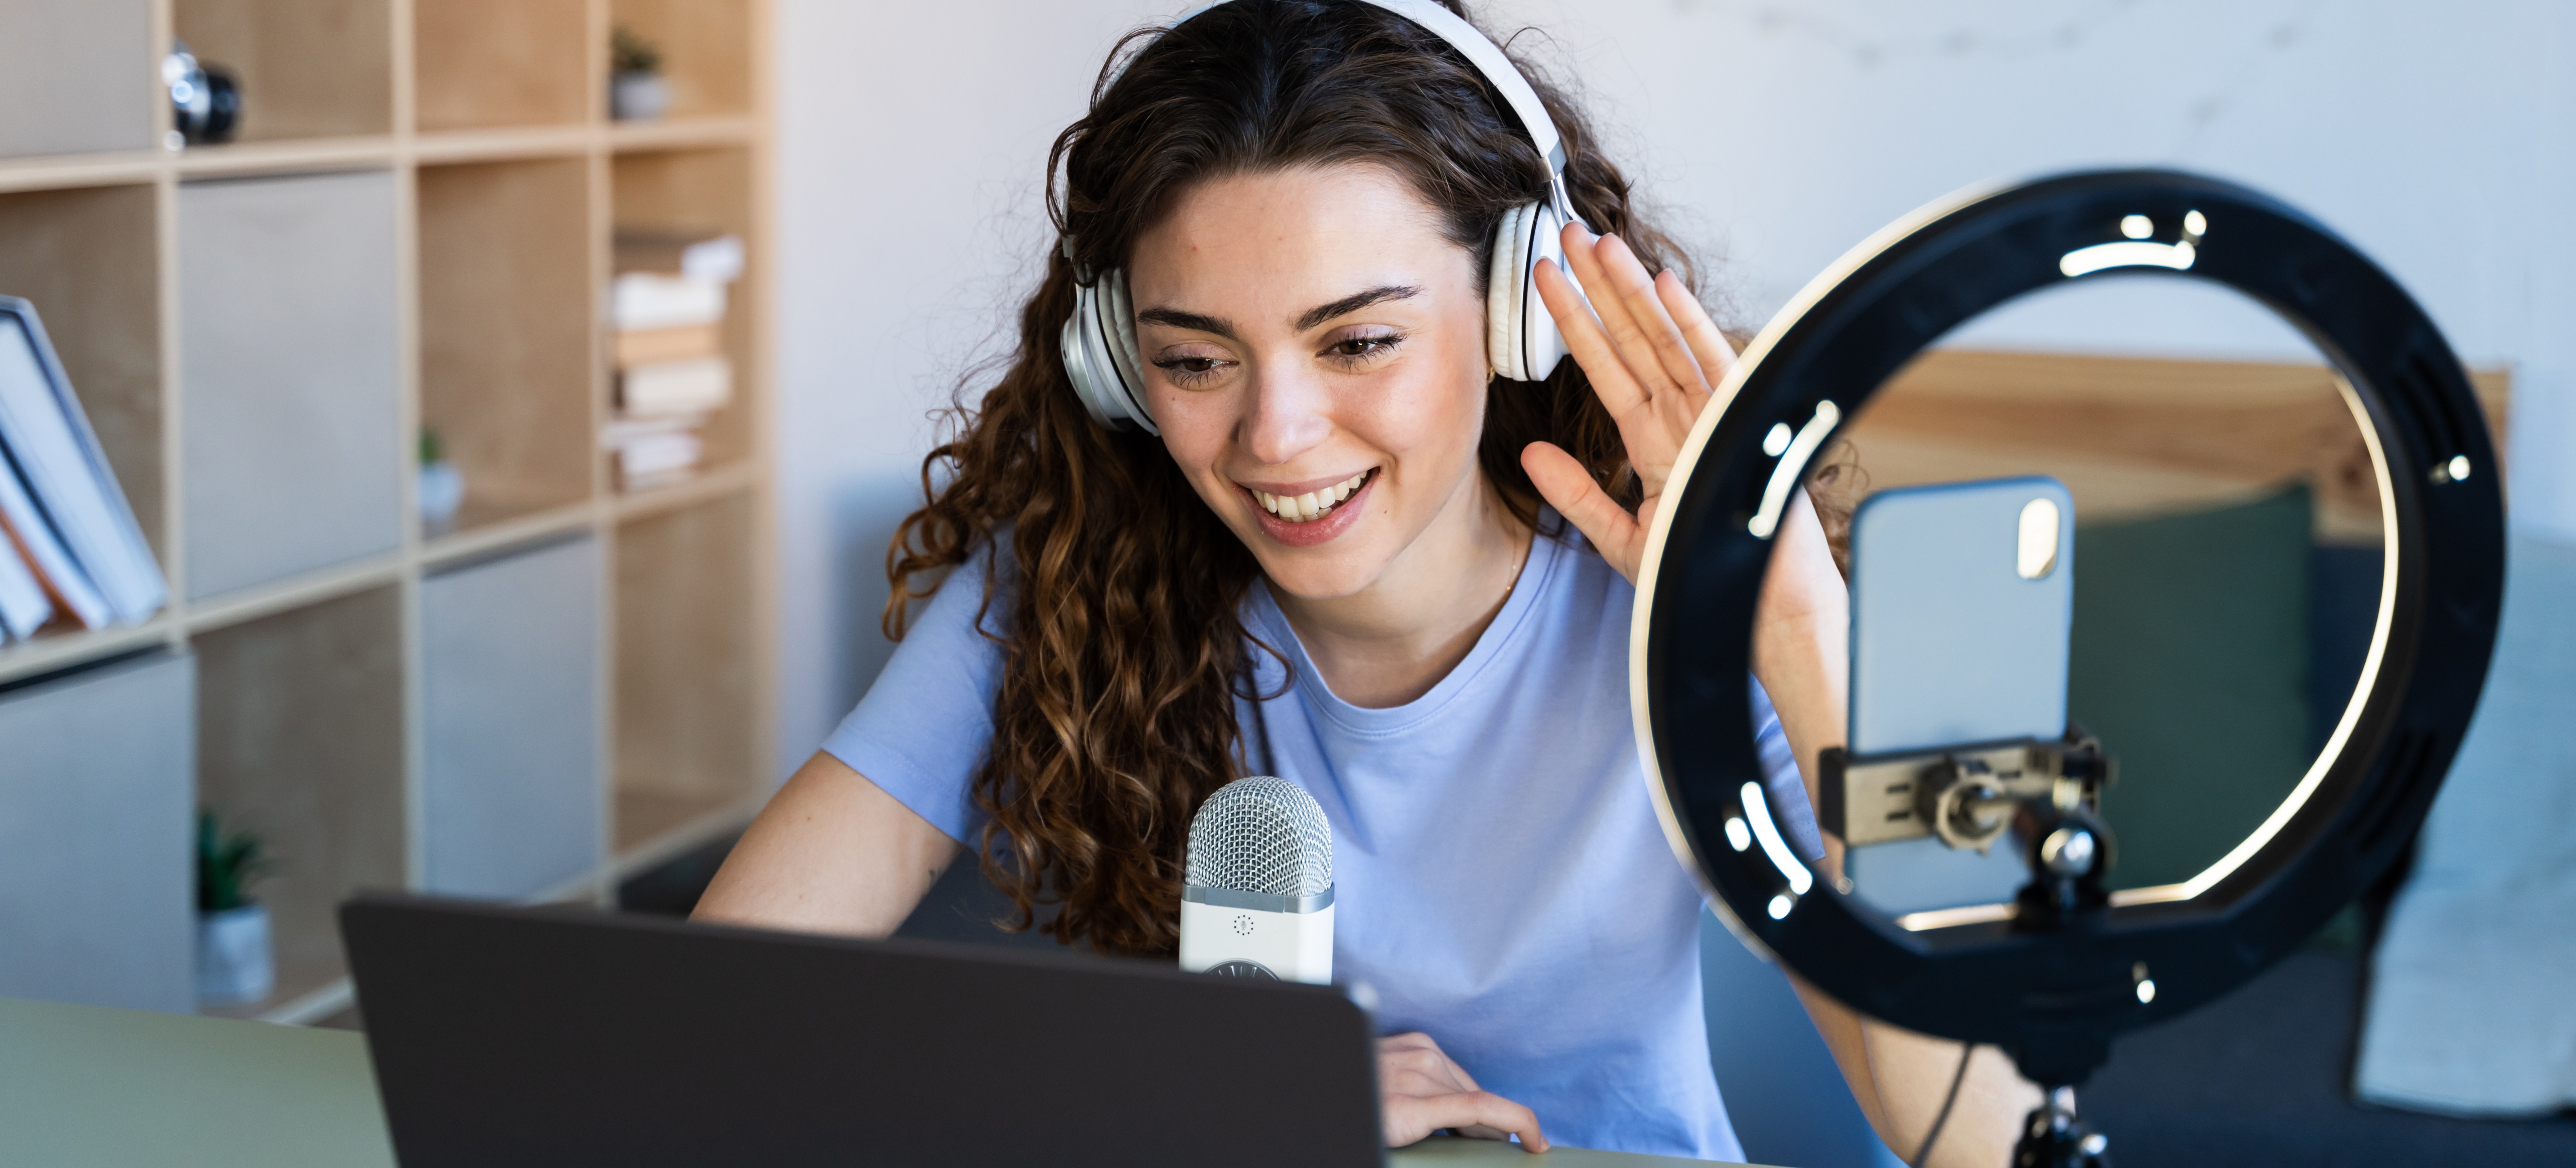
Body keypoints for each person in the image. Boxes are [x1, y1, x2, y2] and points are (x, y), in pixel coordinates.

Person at [697, 1, 2036, 1161]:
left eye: (1361, 341)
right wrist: (1198, 1091)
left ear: (1523, 312)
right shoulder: (1060, 584)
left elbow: (1993, 1139)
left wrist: (1790, 623)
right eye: (1198, 360)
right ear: (1118, 366)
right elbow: (710, 1014)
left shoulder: (1676, 617)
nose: (1275, 436)